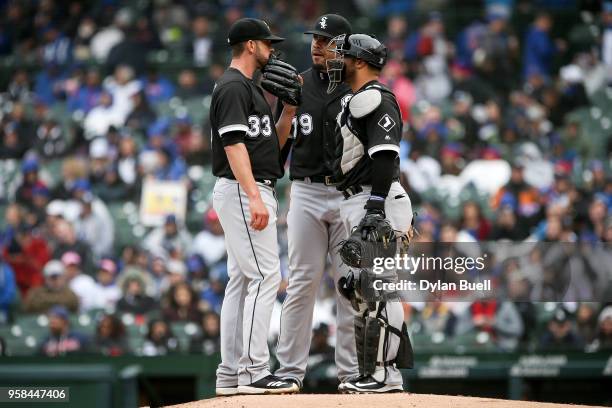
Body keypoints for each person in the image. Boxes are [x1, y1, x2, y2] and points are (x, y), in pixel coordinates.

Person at [209, 18, 298, 396]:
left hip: (249, 186)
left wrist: (288, 113)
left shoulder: (251, 89)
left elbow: (268, 151)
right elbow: (233, 146)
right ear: (249, 45)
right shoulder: (232, 86)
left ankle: (230, 373)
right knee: (264, 277)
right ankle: (252, 371)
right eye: (265, 43)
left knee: (243, 280)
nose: (271, 49)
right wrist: (255, 196)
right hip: (243, 189)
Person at [274, 14, 358, 391]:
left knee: (349, 285)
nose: (317, 44)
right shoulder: (298, 83)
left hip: (347, 193)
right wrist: (287, 110)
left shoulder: (360, 87)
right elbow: (278, 150)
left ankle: (353, 374)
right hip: (306, 190)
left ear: (344, 45)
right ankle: (289, 372)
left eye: (326, 39)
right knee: (301, 284)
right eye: (315, 38)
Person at [329, 33, 414, 393]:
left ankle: (385, 374)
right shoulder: (356, 99)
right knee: (362, 291)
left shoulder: (376, 99)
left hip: (375, 200)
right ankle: (375, 373)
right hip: (359, 199)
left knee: (380, 287)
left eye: (345, 55)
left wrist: (376, 206)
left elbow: (385, 156)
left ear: (360, 61)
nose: (338, 60)